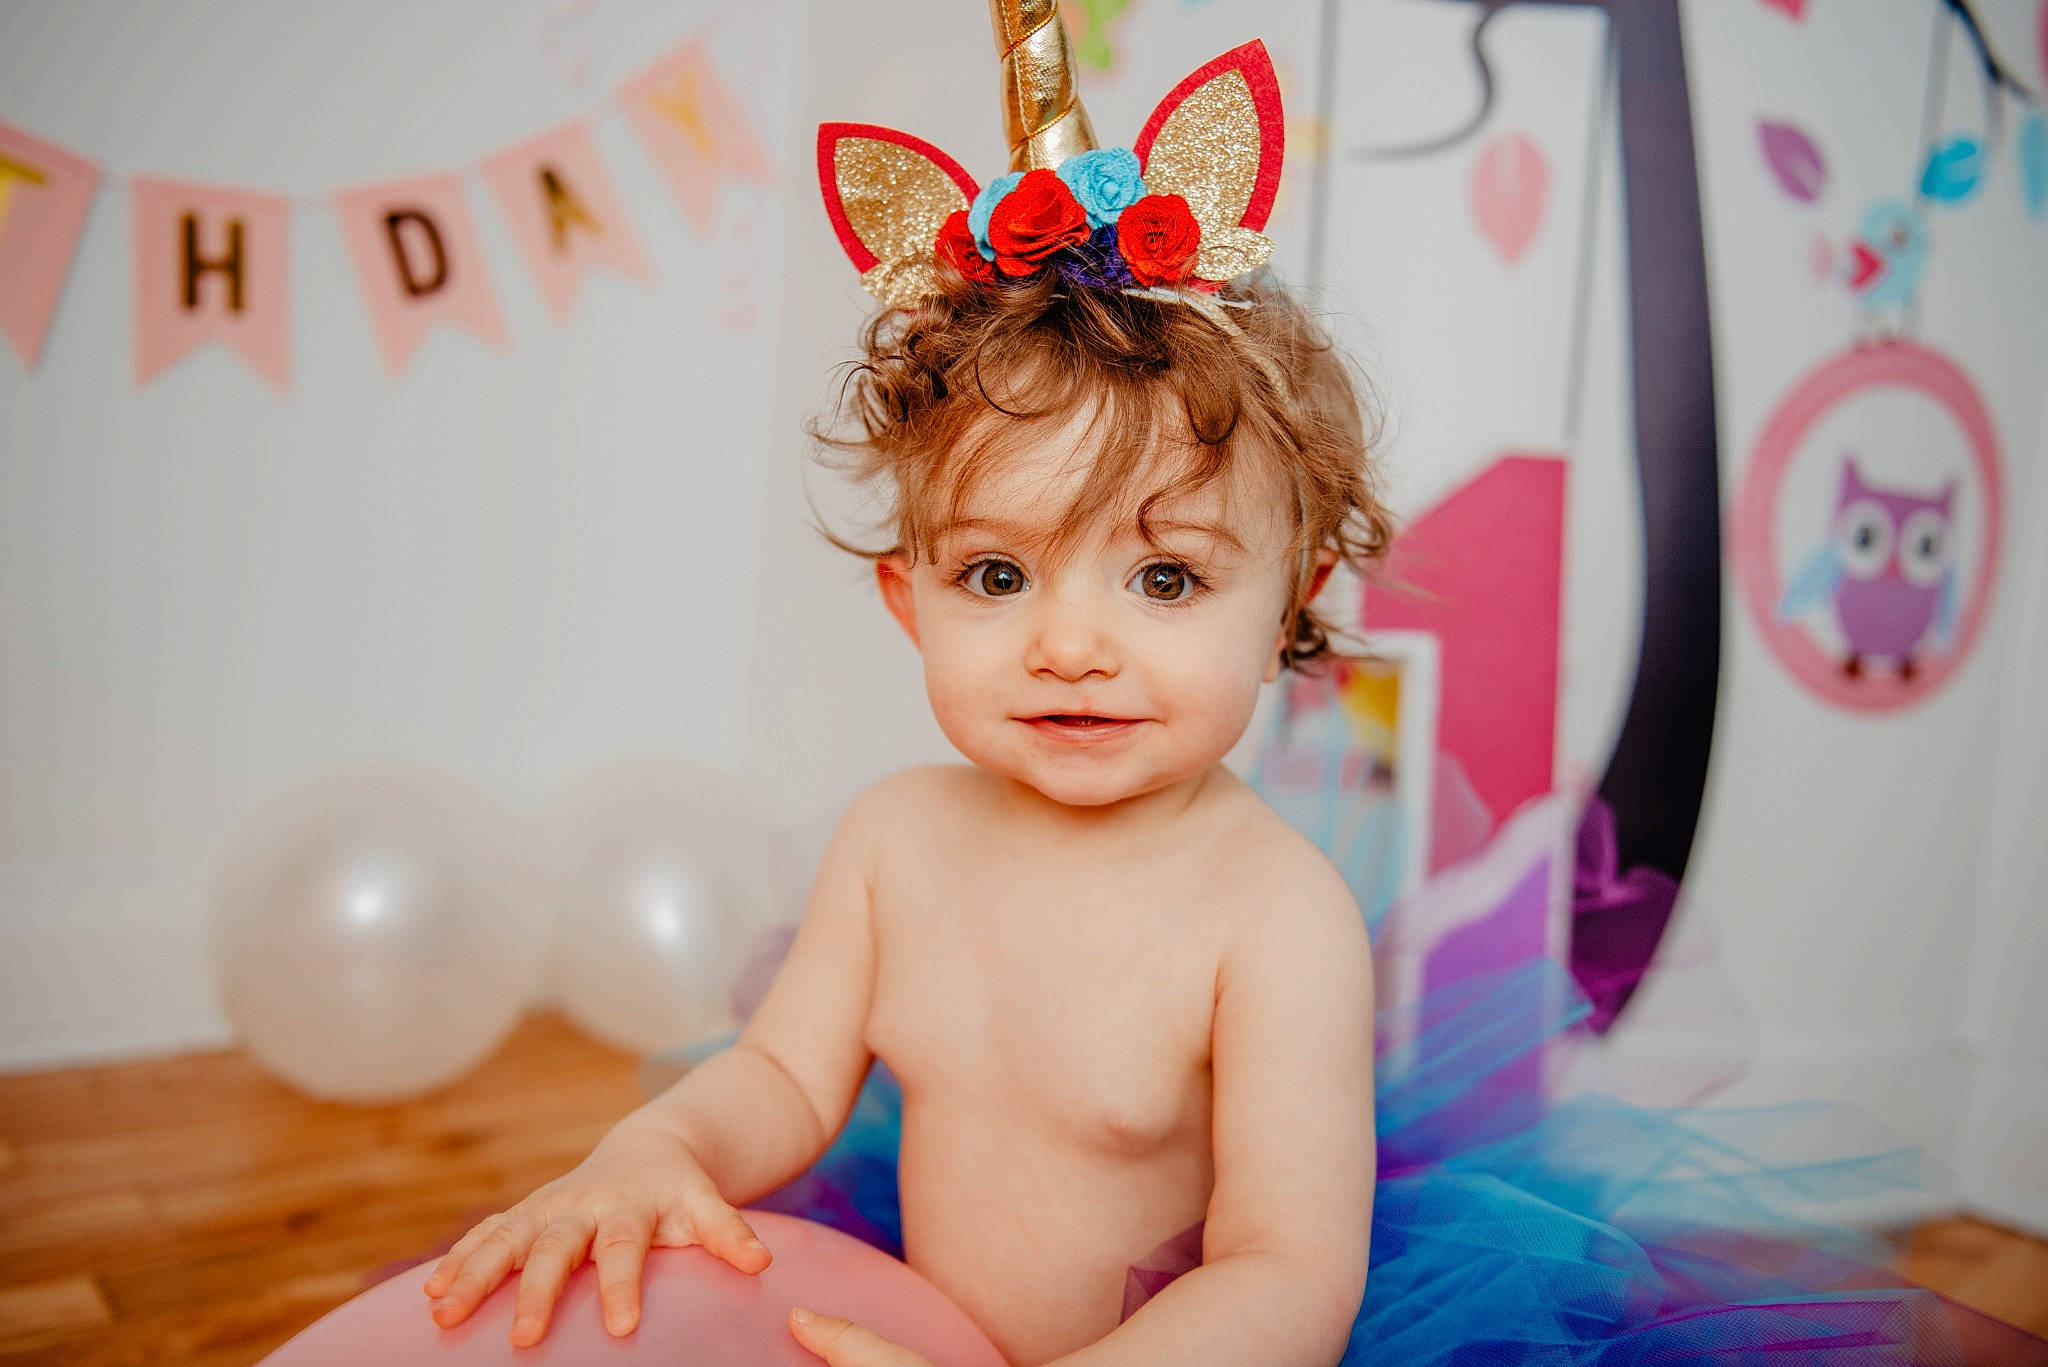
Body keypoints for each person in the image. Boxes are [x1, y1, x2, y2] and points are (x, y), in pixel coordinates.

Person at [420, 9, 2029, 1366]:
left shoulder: (1272, 920)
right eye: (999, 578)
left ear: (1288, 614)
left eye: (1167, 580)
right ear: (908, 601)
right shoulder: (896, 843)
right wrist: (658, 1143)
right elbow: (781, 1077)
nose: (1071, 646)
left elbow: (1284, 1275)